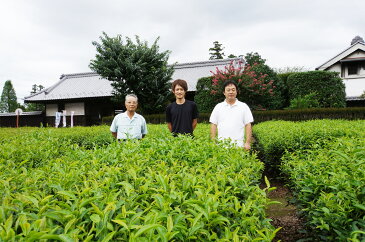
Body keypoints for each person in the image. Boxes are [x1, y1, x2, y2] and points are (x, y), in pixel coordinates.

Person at [209, 80, 253, 150]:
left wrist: (247, 142)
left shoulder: (243, 106)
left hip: (239, 146)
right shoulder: (218, 107)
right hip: (221, 146)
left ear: (236, 92)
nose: (231, 92)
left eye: (233, 90)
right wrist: (213, 142)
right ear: (224, 92)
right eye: (228, 90)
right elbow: (213, 125)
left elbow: (248, 125)